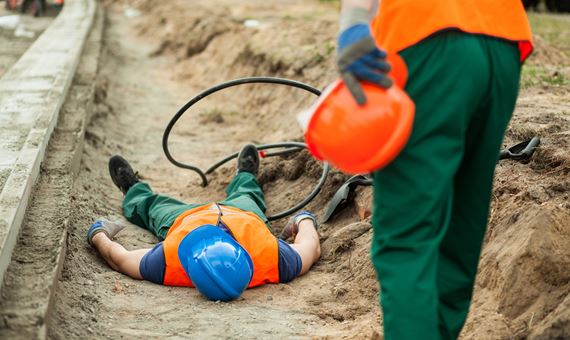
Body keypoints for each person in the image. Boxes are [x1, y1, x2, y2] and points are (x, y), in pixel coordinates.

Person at [336, 0, 532, 339]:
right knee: (459, 234)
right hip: (502, 39)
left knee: (407, 239)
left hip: (424, 36)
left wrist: (353, 21)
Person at [87, 144, 321, 301]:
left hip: (184, 219)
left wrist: (98, 235)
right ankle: (245, 176)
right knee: (248, 194)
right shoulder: (272, 257)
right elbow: (311, 247)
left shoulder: (170, 261)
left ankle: (133, 189)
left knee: (153, 207)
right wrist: (304, 220)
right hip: (244, 214)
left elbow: (120, 259)